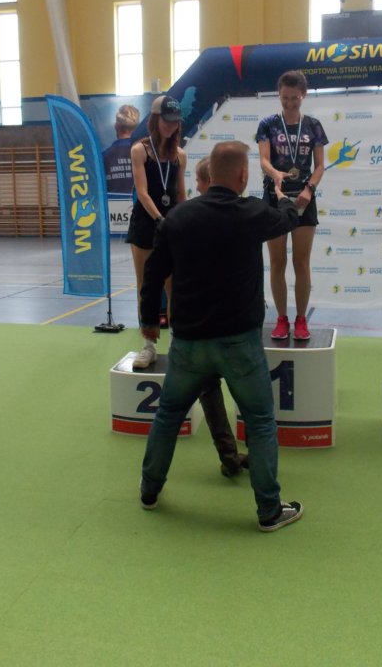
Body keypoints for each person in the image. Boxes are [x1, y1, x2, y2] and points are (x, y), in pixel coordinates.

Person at [138, 140, 303, 532]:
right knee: (260, 421)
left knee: (168, 416)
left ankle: (149, 491)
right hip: (239, 343)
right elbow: (287, 219)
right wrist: (285, 197)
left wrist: (149, 321)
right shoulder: (252, 212)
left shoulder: (177, 218)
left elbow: (153, 274)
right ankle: (268, 511)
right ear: (243, 175)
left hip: (189, 343)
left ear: (208, 174)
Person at [256, 70, 328, 341]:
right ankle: (281, 319)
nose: (289, 103)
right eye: (284, 98)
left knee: (301, 262)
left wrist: (309, 189)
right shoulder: (268, 124)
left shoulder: (313, 125)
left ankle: (300, 319)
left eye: (294, 98)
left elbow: (319, 166)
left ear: (304, 95)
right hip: (275, 196)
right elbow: (264, 159)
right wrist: (275, 174)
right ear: (279, 94)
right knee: (277, 262)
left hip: (304, 198)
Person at [193, 157, 249, 478]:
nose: (196, 187)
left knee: (209, 389)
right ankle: (251, 454)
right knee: (245, 388)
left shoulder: (188, 217)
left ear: (207, 182)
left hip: (203, 322)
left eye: (198, 182)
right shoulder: (243, 213)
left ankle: (229, 456)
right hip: (235, 319)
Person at [126, 95, 187, 369]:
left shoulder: (180, 155)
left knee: (175, 287)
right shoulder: (139, 150)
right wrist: (160, 219)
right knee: (146, 287)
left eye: (175, 122)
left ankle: (177, 343)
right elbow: (142, 192)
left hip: (171, 226)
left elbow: (181, 195)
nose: (170, 126)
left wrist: (184, 221)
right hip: (146, 224)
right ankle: (148, 346)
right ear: (155, 119)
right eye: (166, 120)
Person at [102, 104, 140, 195]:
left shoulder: (104, 156)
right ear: (136, 128)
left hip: (112, 204)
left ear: (116, 126)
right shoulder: (145, 154)